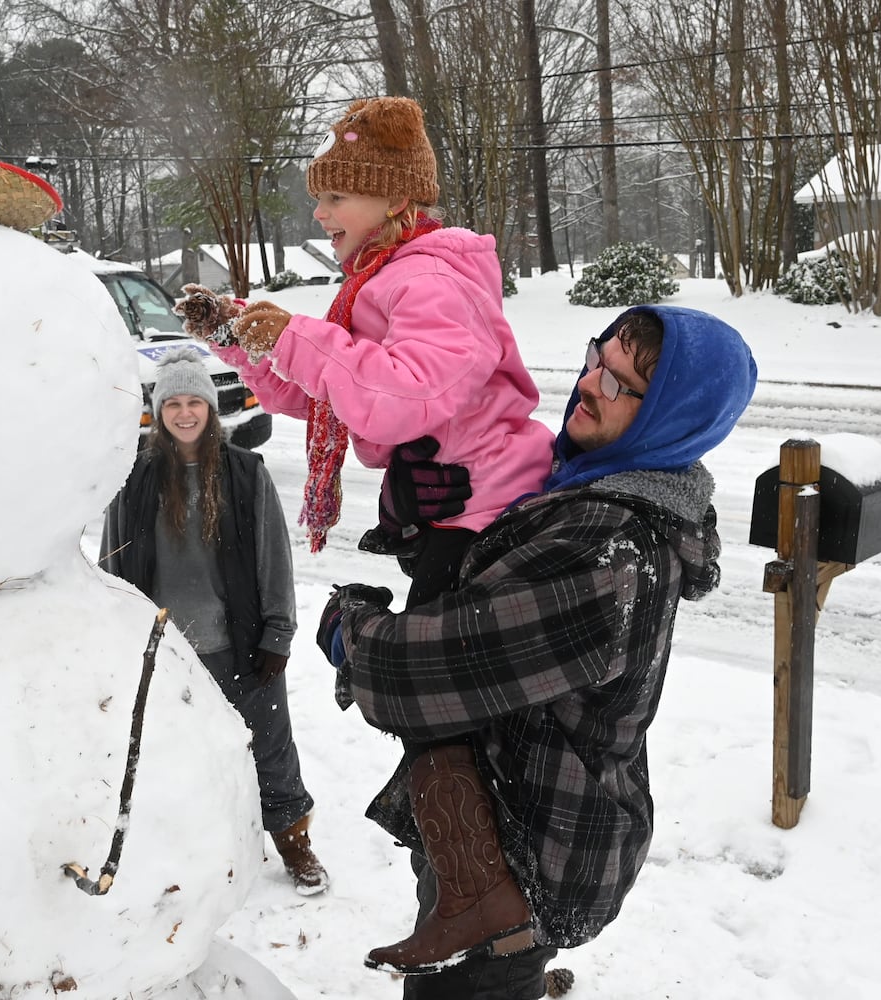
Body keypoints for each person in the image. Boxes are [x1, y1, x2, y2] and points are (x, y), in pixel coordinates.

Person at [314, 305, 758, 996]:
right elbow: (483, 588)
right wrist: (421, 526)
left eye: (619, 384)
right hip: (500, 824)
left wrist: (352, 626)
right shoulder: (578, 487)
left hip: (523, 862)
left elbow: (422, 670)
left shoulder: (604, 549)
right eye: (595, 359)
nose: (587, 384)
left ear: (671, 416)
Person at [176, 95, 554, 609]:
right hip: (447, 505)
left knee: (438, 662)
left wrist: (293, 338)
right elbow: (329, 392)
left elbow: (400, 396)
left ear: (395, 199)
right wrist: (239, 336)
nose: (319, 211)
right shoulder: (378, 280)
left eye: (336, 195)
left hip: (487, 508)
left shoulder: (430, 280)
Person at [100, 346, 328, 895]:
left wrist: (278, 631)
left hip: (240, 642)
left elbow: (275, 557)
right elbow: (112, 562)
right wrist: (114, 632)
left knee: (271, 747)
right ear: (157, 410)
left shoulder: (245, 474)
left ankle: (295, 846)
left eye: (194, 402)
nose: (184, 413)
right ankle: (186, 853)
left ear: (210, 407)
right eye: (172, 403)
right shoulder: (133, 478)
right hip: (165, 649)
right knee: (170, 755)